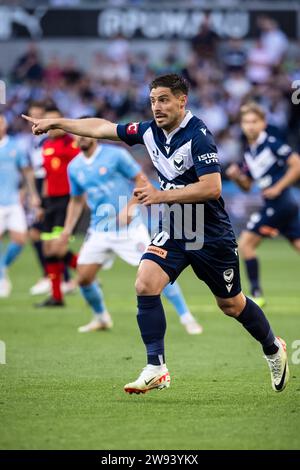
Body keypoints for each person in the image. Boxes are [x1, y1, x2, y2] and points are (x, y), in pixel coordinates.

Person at [22, 73, 290, 395]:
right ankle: (156, 367)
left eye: (163, 100)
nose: (157, 107)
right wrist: (57, 124)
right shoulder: (148, 131)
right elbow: (102, 127)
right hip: (175, 227)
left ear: (181, 100)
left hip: (210, 234)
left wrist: (160, 195)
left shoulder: (198, 135)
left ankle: (273, 347)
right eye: (152, 101)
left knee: (231, 305)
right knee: (145, 282)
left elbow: (212, 187)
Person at [58, 132, 202, 334]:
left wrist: (130, 206)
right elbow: (76, 199)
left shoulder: (115, 155)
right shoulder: (74, 166)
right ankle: (101, 318)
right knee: (83, 277)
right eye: (77, 135)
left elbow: (141, 180)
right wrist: (67, 229)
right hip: (99, 228)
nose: (80, 138)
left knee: (156, 272)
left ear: (93, 136)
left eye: (84, 134)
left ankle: (187, 317)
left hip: (129, 229)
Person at [226, 102, 300, 307]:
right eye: (246, 122)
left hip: (280, 202)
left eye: (254, 121)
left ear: (263, 123)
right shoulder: (250, 152)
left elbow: (297, 164)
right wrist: (238, 176)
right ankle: (256, 292)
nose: (250, 126)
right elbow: (247, 186)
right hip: (281, 205)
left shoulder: (272, 143)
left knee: (245, 244)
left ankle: (256, 294)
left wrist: (278, 187)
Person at [35, 106, 79, 307]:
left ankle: (88, 272)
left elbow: (81, 175)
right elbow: (47, 176)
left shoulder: (73, 144)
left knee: (57, 248)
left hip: (66, 200)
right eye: (48, 121)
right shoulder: (45, 145)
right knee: (48, 249)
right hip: (50, 202)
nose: (51, 126)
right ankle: (56, 297)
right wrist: (42, 204)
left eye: (54, 121)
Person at [0, 112, 40, 297]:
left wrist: (31, 193)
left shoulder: (15, 146)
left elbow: (27, 172)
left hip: (13, 200)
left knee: (20, 239)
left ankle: (2, 267)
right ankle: (1, 279)